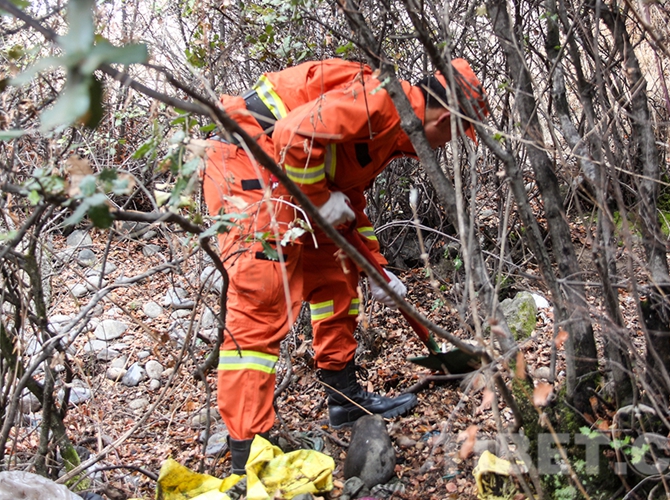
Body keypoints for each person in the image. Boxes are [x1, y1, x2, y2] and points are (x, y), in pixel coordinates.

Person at [201, 58, 486, 475]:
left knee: (336, 273)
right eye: (457, 131)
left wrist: (378, 270)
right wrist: (317, 197)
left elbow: (348, 204)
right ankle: (249, 455)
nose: (448, 143)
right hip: (249, 167)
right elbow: (290, 135)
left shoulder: (394, 132)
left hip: (290, 179)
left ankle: (345, 399)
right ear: (444, 114)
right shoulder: (381, 101)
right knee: (260, 305)